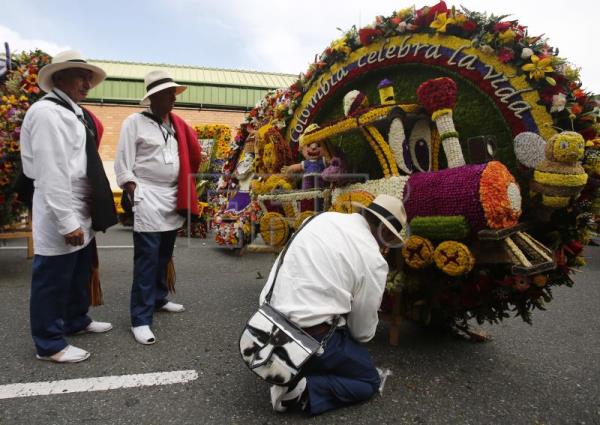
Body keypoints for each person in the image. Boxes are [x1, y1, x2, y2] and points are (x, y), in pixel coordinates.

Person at [258, 194, 406, 415]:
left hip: (265, 321)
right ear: (384, 233)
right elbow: (363, 332)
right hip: (307, 337)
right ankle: (300, 391)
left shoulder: (321, 219)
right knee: (368, 380)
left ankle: (289, 365)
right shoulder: (373, 259)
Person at [20, 50, 117, 363]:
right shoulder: (47, 113)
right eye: (80, 76)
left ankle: (76, 320)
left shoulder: (71, 111)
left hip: (78, 200)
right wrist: (66, 220)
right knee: (52, 275)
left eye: (88, 77)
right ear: (58, 77)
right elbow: (51, 172)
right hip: (58, 202)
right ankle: (48, 343)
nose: (87, 83)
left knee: (77, 270)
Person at [114, 70, 200, 345]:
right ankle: (140, 318)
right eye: (165, 94)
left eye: (173, 94)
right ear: (151, 98)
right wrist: (131, 187)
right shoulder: (134, 123)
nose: (172, 99)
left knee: (165, 254)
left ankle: (159, 298)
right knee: (147, 259)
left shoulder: (177, 125)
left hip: (172, 195)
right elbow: (123, 162)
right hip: (148, 195)